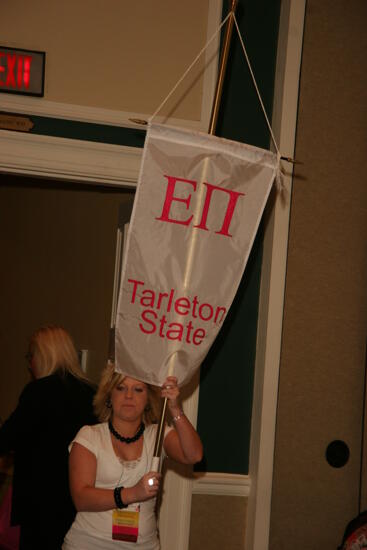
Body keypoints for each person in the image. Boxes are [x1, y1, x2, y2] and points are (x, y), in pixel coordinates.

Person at [62, 362, 203, 549]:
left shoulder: (158, 434)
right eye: (121, 388)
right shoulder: (90, 436)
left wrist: (175, 409)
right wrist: (132, 493)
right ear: (109, 396)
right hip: (89, 544)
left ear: (148, 399)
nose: (129, 396)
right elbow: (81, 498)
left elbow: (193, 455)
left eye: (138, 390)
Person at [0, 325, 97, 550]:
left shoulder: (38, 392)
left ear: (43, 355)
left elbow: (8, 438)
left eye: (30, 355)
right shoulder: (91, 393)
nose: (29, 362)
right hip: (78, 497)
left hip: (39, 500)